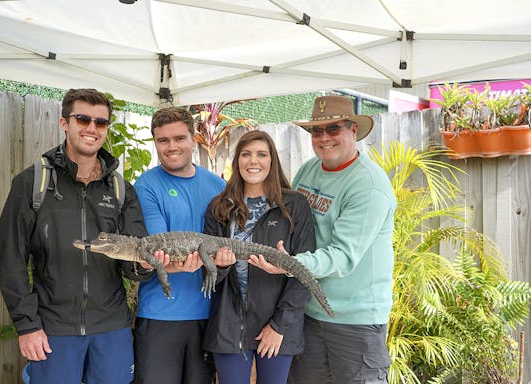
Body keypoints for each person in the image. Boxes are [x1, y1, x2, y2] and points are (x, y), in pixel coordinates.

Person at [0, 88, 150, 383]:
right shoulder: (32, 182)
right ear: (65, 123)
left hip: (111, 328)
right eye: (83, 119)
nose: (92, 128)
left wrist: (144, 265)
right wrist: (27, 325)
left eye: (100, 122)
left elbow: (133, 261)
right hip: (54, 327)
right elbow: (10, 260)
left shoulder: (120, 190)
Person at [248, 95, 396, 383]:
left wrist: (288, 264)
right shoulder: (308, 171)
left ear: (353, 130)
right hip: (309, 313)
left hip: (356, 319)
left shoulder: (368, 186)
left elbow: (343, 257)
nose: (324, 138)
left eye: (333, 129)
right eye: (317, 131)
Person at [202, 130, 315, 384]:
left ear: (272, 161)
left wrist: (280, 325)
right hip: (229, 325)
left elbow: (305, 271)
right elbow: (208, 276)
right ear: (237, 161)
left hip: (276, 324)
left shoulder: (294, 206)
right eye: (246, 154)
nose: (253, 161)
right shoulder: (219, 207)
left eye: (261, 154)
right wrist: (218, 267)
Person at [132, 107, 226, 384]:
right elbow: (160, 252)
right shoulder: (147, 185)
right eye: (163, 140)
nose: (171, 147)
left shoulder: (218, 185)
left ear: (194, 138)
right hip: (159, 312)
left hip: (209, 314)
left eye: (179, 138)